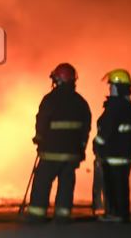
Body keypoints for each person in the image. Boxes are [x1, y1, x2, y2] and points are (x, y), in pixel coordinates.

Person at [26, 63, 92, 222]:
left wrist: (39, 138)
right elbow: (86, 129)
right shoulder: (81, 102)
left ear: (59, 79)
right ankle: (63, 215)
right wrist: (81, 149)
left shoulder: (50, 99)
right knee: (66, 184)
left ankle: (36, 214)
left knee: (42, 181)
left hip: (50, 152)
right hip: (71, 155)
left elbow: (41, 121)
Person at [93, 68, 131, 223]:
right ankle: (120, 213)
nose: (110, 88)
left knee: (113, 186)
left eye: (111, 85)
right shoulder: (128, 106)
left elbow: (106, 128)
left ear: (117, 87)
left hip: (113, 154)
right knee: (121, 185)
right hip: (124, 155)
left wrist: (97, 145)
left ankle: (115, 214)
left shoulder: (116, 106)